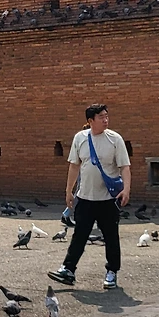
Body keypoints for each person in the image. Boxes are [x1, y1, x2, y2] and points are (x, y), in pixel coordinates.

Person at [48, 104, 131, 289]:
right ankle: (68, 269)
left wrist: (126, 189)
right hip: (85, 198)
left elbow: (125, 167)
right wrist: (69, 190)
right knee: (79, 235)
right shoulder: (80, 138)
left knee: (111, 237)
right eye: (101, 117)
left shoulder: (115, 139)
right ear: (90, 120)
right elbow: (74, 166)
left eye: (107, 116)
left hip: (108, 199)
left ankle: (112, 272)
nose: (105, 120)